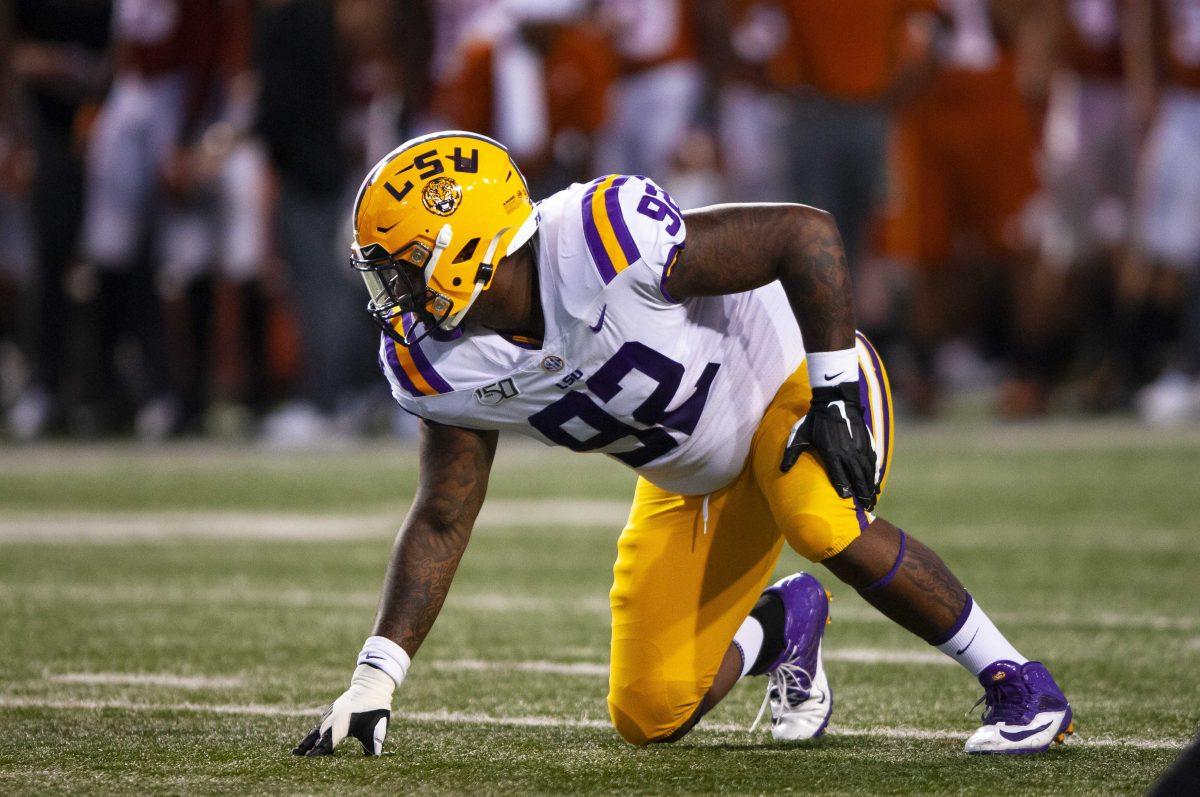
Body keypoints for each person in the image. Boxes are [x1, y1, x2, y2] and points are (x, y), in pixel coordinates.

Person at [293, 131, 1074, 757]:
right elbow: (441, 514)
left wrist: (835, 391)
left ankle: (1020, 683)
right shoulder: (436, 360)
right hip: (690, 472)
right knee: (648, 709)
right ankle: (783, 621)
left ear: (464, 249)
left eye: (399, 266)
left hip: (793, 384)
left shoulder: (600, 240)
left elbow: (805, 235)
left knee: (819, 522)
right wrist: (375, 678)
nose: (388, 291)